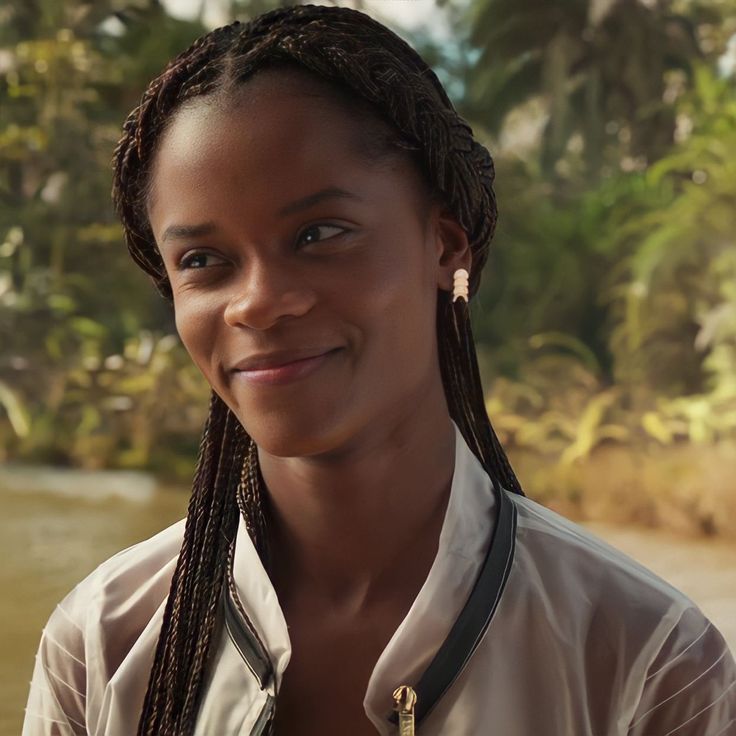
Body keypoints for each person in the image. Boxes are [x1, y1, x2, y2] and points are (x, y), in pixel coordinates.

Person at [23, 4, 736, 735]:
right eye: (203, 261)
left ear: (446, 247)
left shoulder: (646, 663)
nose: (259, 302)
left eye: (319, 234)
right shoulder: (102, 644)